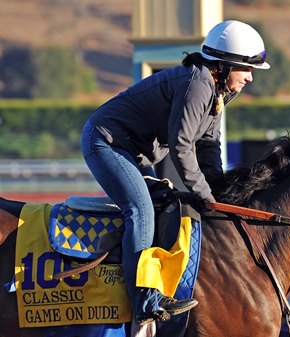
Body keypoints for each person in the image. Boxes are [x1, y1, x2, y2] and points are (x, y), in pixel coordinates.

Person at [81, 20, 270, 325]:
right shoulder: (197, 84)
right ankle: (145, 301)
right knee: (141, 210)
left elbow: (209, 148)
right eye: (246, 70)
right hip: (106, 142)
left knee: (162, 206)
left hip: (131, 150)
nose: (250, 78)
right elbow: (182, 148)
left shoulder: (215, 93)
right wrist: (205, 196)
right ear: (224, 66)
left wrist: (218, 191)